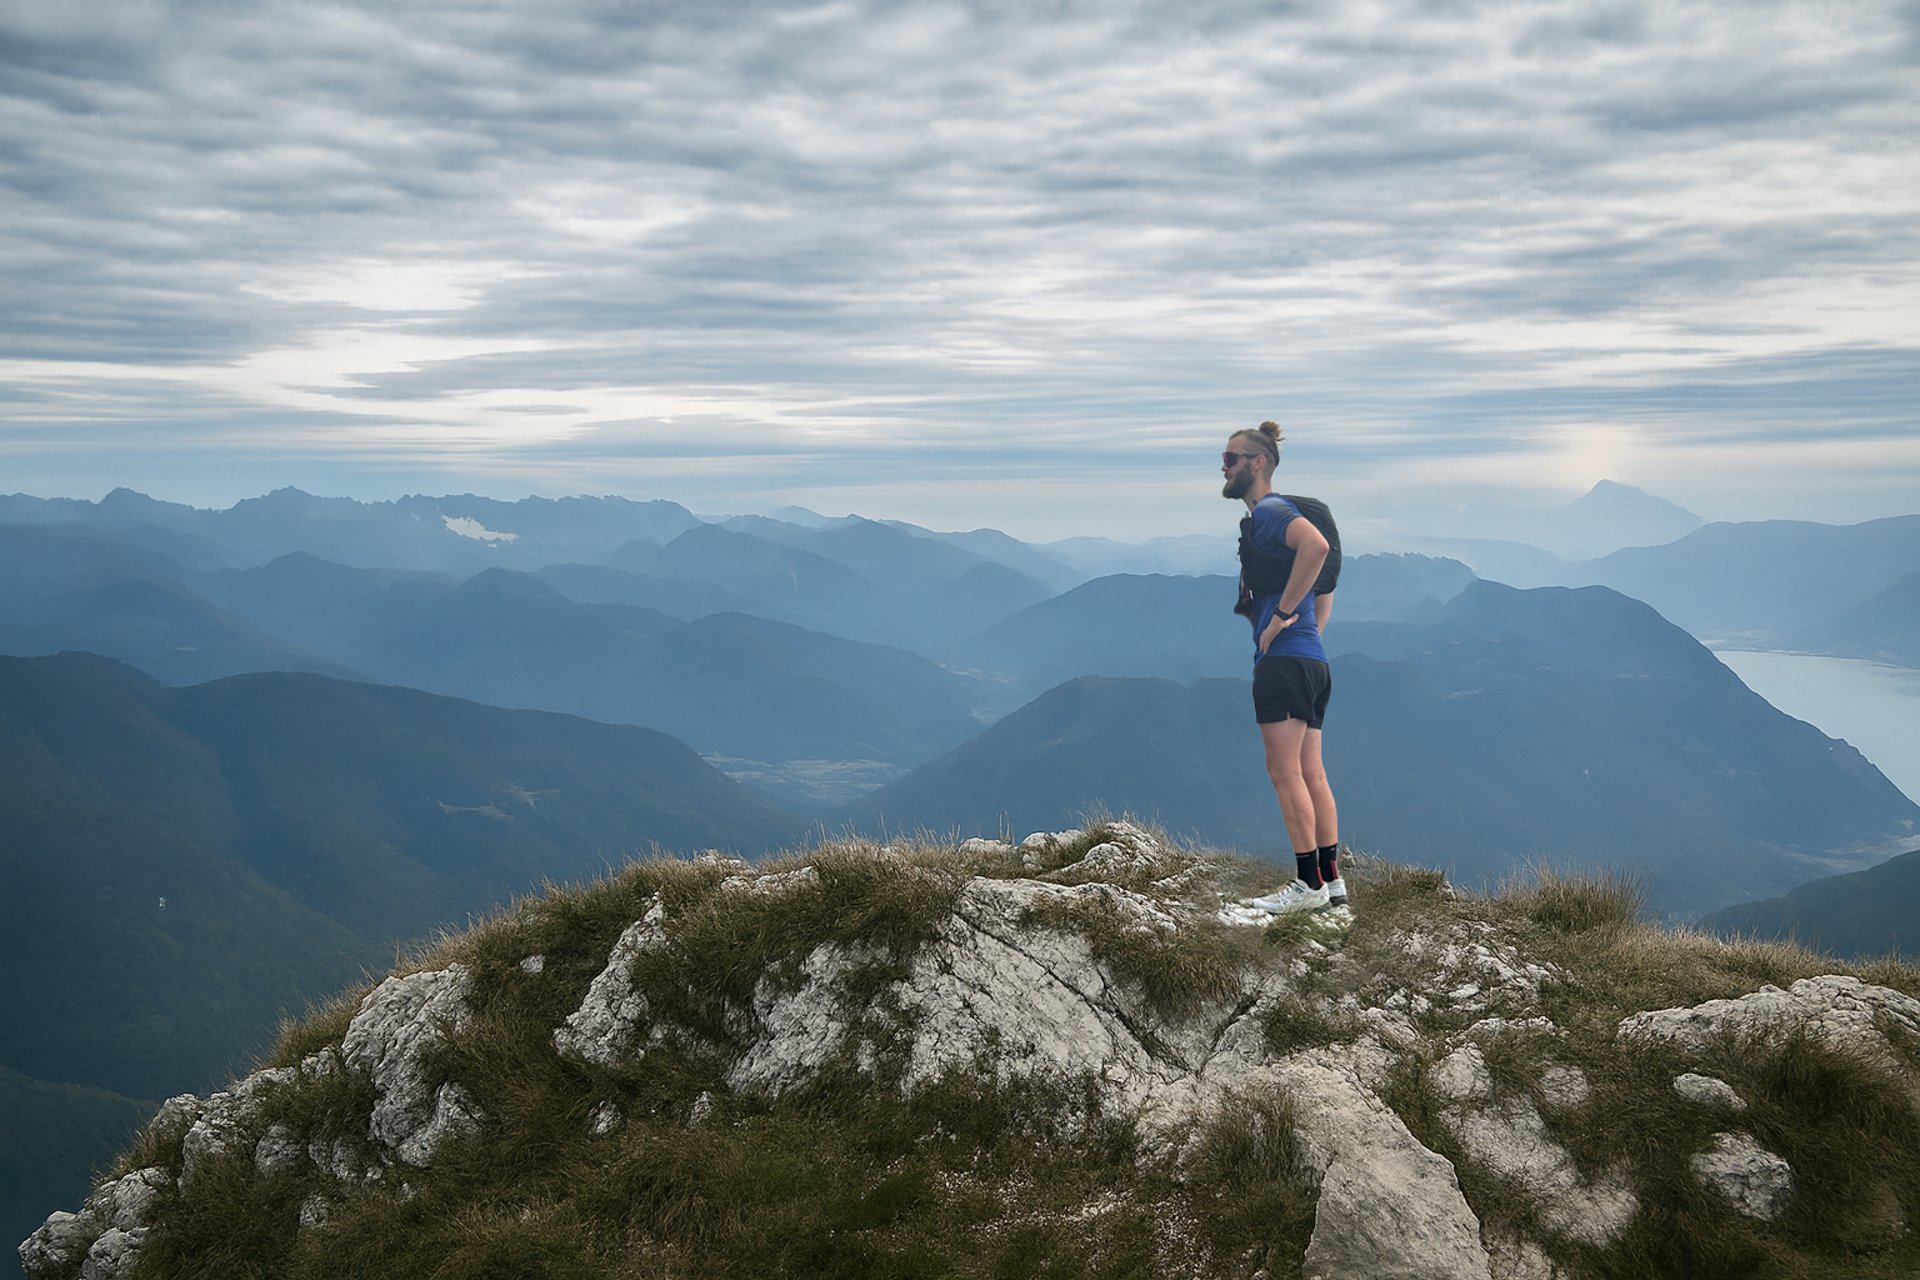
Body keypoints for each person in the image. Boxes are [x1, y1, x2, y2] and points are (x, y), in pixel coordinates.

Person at [1222, 422, 1346, 915]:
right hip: (1312, 662)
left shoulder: (1271, 512)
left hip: (1285, 664)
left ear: (1257, 463)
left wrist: (1276, 623)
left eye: (1231, 459)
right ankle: (1332, 886)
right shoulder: (1270, 522)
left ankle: (1306, 885)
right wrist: (1304, 633)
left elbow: (1315, 549)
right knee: (1311, 772)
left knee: (1283, 772)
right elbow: (1325, 582)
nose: (1224, 467)